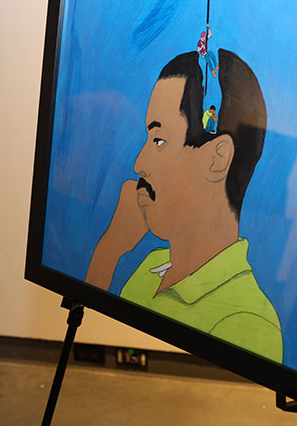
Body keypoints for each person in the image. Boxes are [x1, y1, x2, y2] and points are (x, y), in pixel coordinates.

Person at [86, 50, 282, 363]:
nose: (139, 163)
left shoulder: (247, 322)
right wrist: (109, 251)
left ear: (217, 159)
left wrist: (109, 251)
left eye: (159, 140)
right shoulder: (153, 267)